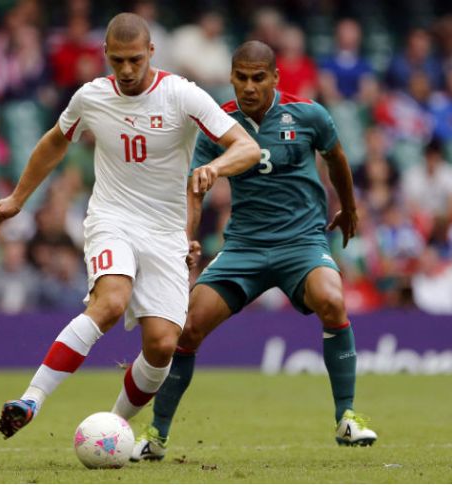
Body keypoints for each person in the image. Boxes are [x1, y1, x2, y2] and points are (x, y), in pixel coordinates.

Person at [0, 13, 260, 439]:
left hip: (166, 231)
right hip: (112, 218)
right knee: (111, 302)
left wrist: (216, 167)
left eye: (135, 59)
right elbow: (55, 140)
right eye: (118, 61)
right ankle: (31, 399)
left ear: (152, 51)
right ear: (105, 55)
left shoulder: (182, 95)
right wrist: (17, 199)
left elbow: (246, 147)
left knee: (162, 345)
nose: (128, 70)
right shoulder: (91, 97)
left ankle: (113, 426)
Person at [130, 40, 378, 462]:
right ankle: (156, 437)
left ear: (275, 78)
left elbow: (336, 157)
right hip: (244, 247)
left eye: (258, 78)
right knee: (187, 329)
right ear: (231, 77)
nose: (249, 86)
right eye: (241, 77)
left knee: (333, 300)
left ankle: (347, 418)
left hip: (301, 243)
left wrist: (349, 208)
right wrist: (188, 236)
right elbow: (195, 188)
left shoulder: (309, 115)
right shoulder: (219, 124)